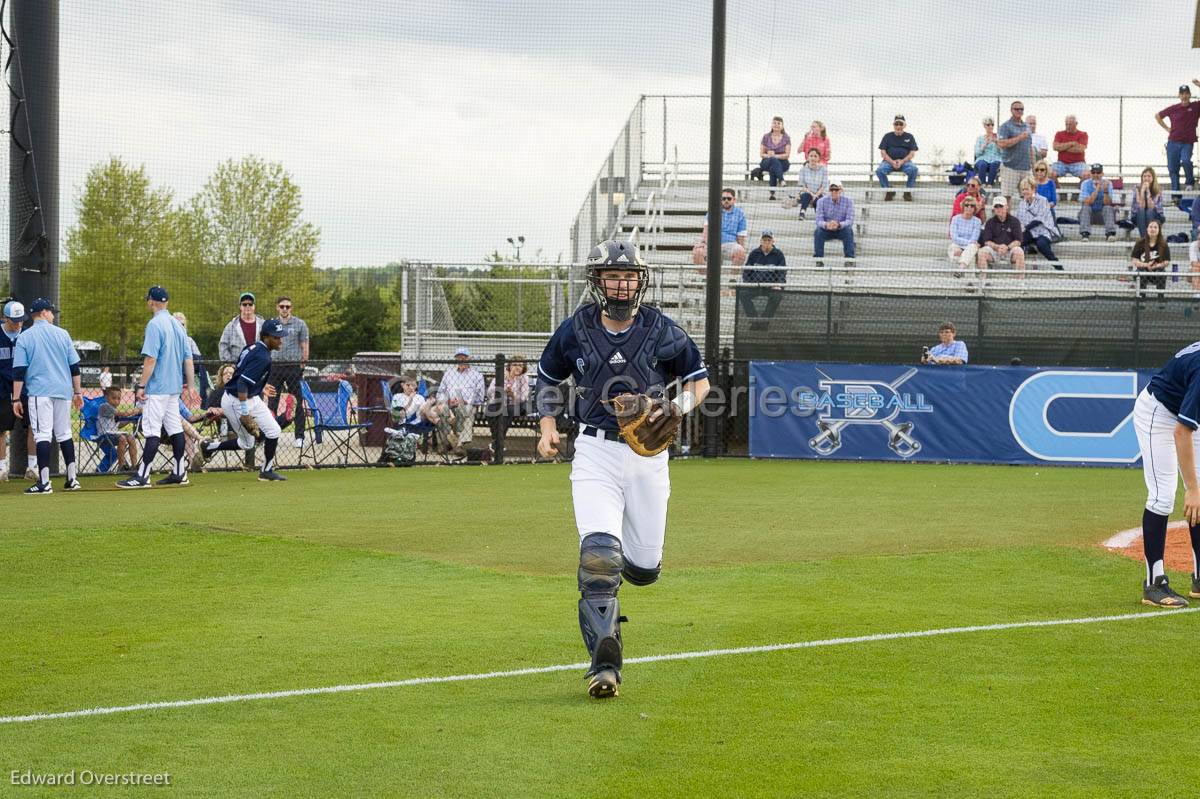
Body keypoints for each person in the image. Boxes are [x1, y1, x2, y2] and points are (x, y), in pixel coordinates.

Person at [535, 239, 710, 699]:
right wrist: (548, 426)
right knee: (598, 558)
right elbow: (550, 379)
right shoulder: (575, 330)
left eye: (629, 276)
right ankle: (604, 664)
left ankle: (630, 572)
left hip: (650, 458)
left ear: (640, 281)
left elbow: (700, 381)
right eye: (613, 276)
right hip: (594, 451)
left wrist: (675, 406)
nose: (622, 284)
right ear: (598, 282)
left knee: (646, 567)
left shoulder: (659, 329)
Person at [1130, 340, 1200, 607]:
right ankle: (1154, 583)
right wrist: (1192, 489)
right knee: (1163, 495)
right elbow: (1182, 431)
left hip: (1186, 414)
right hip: (1158, 413)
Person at [117, 286, 196, 489]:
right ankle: (180, 472)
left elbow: (151, 359)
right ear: (166, 302)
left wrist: (141, 385)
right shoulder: (178, 325)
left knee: (152, 430)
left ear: (151, 301)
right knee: (175, 428)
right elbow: (188, 359)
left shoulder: (154, 324)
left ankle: (142, 476)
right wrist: (191, 386)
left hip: (158, 387)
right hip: (174, 387)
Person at [193, 319, 288, 482]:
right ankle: (209, 446)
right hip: (235, 401)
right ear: (266, 337)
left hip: (249, 397)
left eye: (280, 336)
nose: (280, 340)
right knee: (247, 444)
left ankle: (266, 470)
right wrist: (245, 412)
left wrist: (259, 387)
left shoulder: (253, 347)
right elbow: (242, 382)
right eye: (276, 337)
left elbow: (242, 373)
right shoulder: (262, 357)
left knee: (274, 430)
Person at [10, 298, 82, 495]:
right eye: (51, 312)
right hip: (63, 391)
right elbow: (74, 367)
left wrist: (16, 399)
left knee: (42, 434)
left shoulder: (25, 337)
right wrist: (78, 392)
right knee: (64, 433)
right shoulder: (63, 334)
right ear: (43, 312)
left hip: (40, 392)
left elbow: (19, 371)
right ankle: (72, 479)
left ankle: (44, 483)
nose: (53, 315)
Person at [267, 296, 310, 449]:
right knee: (272, 402)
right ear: (277, 307)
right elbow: (266, 344)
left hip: (293, 367)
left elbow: (305, 344)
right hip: (275, 367)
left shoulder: (300, 324)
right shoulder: (271, 324)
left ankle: (299, 436)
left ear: (291, 308)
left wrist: (303, 363)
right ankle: (269, 435)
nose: (285, 309)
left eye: (288, 306)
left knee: (297, 402)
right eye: (282, 306)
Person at [0, 300, 36, 482]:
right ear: (5, 317)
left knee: (34, 425)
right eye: (15, 320)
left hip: (27, 388)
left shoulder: (28, 336)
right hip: (3, 389)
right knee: (1, 428)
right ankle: (1, 469)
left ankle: (32, 467)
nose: (18, 324)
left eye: (21, 320)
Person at [430, 346, 486, 456]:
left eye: (464, 357)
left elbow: (480, 396)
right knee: (440, 410)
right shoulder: (449, 373)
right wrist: (447, 401)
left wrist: (464, 401)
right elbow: (440, 392)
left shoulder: (477, 375)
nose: (461, 360)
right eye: (459, 357)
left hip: (467, 404)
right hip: (449, 404)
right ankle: (448, 441)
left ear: (469, 358)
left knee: (466, 411)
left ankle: (459, 445)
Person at [1154, 80, 1200, 196]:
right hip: (1173, 142)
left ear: (1189, 95)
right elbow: (1158, 116)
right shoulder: (1174, 108)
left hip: (1187, 143)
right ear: (1179, 95)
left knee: (1185, 160)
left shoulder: (1195, 107)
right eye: (1182, 94)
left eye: (1186, 93)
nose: (1184, 96)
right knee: (1173, 169)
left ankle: (1190, 182)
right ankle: (1176, 195)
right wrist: (1167, 128)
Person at [740, 230, 786, 329]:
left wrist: (778, 284)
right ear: (760, 241)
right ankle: (754, 320)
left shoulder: (779, 255)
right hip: (755, 285)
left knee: (777, 296)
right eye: (764, 240)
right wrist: (749, 283)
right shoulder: (754, 254)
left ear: (773, 241)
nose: (766, 243)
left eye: (769, 240)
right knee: (743, 294)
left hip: (771, 286)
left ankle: (764, 322)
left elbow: (782, 273)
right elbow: (747, 271)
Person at [691, 188, 748, 269]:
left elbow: (741, 237)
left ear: (734, 199)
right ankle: (704, 278)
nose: (726, 200)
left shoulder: (740, 214)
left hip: (730, 244)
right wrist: (703, 243)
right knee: (697, 252)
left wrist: (741, 249)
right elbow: (706, 230)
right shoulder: (712, 211)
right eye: (723, 198)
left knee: (741, 252)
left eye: (729, 198)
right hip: (712, 244)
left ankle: (733, 279)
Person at [487, 356, 530, 451]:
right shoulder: (501, 375)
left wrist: (513, 395)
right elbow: (489, 392)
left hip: (516, 405)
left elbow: (523, 397)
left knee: (508, 410)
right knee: (491, 409)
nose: (517, 367)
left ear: (523, 368)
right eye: (514, 365)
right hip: (499, 403)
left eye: (520, 365)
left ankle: (497, 441)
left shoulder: (524, 378)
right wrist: (502, 390)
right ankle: (497, 441)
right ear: (509, 366)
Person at [1015, 178, 1061, 267]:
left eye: (1027, 189)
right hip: (1029, 232)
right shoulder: (1022, 203)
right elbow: (1019, 220)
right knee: (1017, 242)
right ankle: (1021, 266)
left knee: (1041, 244)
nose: (1025, 192)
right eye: (1023, 189)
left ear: (1033, 189)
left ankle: (1058, 267)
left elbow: (1039, 219)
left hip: (1043, 231)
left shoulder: (1043, 200)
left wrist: (1025, 228)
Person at [977, 196, 1025, 281]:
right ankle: (982, 282)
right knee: (982, 252)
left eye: (1001, 206)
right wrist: (997, 247)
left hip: (1010, 251)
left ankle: (1019, 283)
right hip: (994, 251)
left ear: (1006, 207)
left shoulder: (1015, 221)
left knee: (1019, 251)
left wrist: (1007, 247)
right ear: (993, 209)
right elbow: (987, 241)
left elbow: (1018, 241)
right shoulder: (990, 222)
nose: (998, 209)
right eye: (996, 206)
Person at [996, 100, 1034, 203]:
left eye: (1021, 109)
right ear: (1011, 110)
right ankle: (1006, 218)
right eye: (1016, 109)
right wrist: (1019, 138)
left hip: (1026, 168)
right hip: (1010, 167)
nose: (1019, 111)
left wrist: (1033, 166)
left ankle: (1027, 219)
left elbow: (1029, 147)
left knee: (1029, 196)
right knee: (1006, 197)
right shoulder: (1005, 126)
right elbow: (1001, 144)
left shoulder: (1027, 126)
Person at [874, 114, 919, 201]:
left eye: (901, 124)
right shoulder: (887, 136)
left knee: (914, 169)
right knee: (879, 170)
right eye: (896, 124)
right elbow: (883, 152)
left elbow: (912, 153)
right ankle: (888, 191)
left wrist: (902, 161)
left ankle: (908, 191)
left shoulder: (910, 137)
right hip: (889, 162)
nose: (898, 126)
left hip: (905, 162)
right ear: (893, 125)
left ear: (904, 125)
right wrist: (892, 162)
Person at [97, 385, 140, 473]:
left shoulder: (113, 410)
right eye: (114, 398)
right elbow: (122, 414)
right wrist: (136, 411)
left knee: (131, 438)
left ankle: (134, 466)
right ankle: (121, 466)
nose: (116, 401)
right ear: (106, 397)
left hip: (113, 434)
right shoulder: (104, 406)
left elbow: (118, 426)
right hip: (104, 435)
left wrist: (130, 420)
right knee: (122, 438)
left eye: (119, 399)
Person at [813, 179, 855, 266]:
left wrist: (839, 224)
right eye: (831, 190)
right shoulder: (821, 201)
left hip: (841, 229)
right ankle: (818, 259)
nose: (834, 192)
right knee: (818, 231)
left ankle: (849, 259)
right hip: (827, 229)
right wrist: (826, 224)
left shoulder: (849, 201)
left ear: (841, 190)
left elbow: (850, 220)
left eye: (836, 189)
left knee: (848, 230)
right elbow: (818, 220)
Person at [751, 116, 790, 201]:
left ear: (782, 126)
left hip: (783, 162)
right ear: (772, 124)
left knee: (773, 168)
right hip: (767, 161)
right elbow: (762, 154)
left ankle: (772, 194)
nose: (776, 125)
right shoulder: (766, 137)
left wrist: (774, 156)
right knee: (772, 161)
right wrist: (770, 156)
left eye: (778, 123)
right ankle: (781, 180)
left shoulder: (786, 138)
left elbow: (787, 155)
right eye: (774, 123)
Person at [218, 291, 264, 363]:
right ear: (240, 307)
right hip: (238, 367)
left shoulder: (263, 325)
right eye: (244, 304)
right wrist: (230, 364)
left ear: (254, 306)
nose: (247, 306)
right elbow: (223, 346)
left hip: (259, 365)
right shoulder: (231, 326)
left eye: (250, 304)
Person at [1130, 219, 1170, 300]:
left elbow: (1166, 261)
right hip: (1142, 271)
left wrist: (1156, 266)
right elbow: (1135, 260)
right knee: (1141, 273)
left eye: (1155, 227)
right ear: (1147, 229)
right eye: (1150, 227)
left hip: (1157, 271)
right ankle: (1141, 298)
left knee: (1162, 273)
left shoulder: (1163, 244)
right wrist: (1146, 265)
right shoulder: (1140, 243)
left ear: (1159, 230)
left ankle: (1161, 298)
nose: (1153, 229)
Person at [1078, 163, 1117, 241]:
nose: (1096, 175)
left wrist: (1105, 191)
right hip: (1089, 216)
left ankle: (1110, 234)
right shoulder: (1085, 184)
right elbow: (1087, 202)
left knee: (1108, 208)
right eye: (1093, 172)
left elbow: (1108, 203)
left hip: (1103, 216)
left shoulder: (1108, 183)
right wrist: (1097, 189)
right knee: (1085, 208)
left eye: (1098, 172)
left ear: (1102, 174)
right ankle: (1085, 234)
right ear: (1091, 173)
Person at [947, 196, 982, 276]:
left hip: (970, 247)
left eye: (972, 205)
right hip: (956, 245)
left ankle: (961, 269)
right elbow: (954, 237)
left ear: (975, 208)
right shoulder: (955, 219)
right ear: (963, 207)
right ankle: (970, 282)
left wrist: (967, 246)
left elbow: (974, 238)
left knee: (972, 249)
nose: (969, 207)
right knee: (971, 250)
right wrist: (966, 244)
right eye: (966, 205)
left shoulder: (977, 221)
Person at [1049, 115, 1089, 181]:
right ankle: (1057, 190)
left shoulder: (1083, 134)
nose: (1068, 126)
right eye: (1066, 124)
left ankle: (1081, 191)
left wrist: (1062, 147)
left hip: (1078, 163)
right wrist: (1071, 143)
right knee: (1051, 173)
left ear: (1076, 124)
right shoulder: (1059, 134)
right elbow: (1055, 147)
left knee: (1086, 175)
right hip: (1061, 163)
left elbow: (1080, 149)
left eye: (1070, 124)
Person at [794, 148, 829, 220]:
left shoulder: (823, 169)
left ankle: (819, 216)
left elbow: (824, 185)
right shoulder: (803, 170)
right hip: (807, 193)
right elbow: (802, 185)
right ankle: (802, 213)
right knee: (806, 195)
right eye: (811, 156)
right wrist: (812, 194)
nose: (813, 158)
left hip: (819, 193)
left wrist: (816, 195)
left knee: (818, 200)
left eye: (815, 156)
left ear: (819, 158)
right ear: (808, 157)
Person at [1131, 167, 1165, 238]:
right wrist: (1142, 191)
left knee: (1149, 211)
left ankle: (1150, 238)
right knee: (1141, 211)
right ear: (1142, 178)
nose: (1146, 178)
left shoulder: (1159, 189)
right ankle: (1144, 239)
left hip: (1156, 216)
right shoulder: (1136, 188)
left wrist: (1148, 191)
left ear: (1153, 178)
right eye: (1144, 176)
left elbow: (1151, 206)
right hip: (1138, 216)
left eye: (1149, 176)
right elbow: (1141, 205)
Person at [973, 117, 1002, 186]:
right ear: (984, 126)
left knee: (994, 164)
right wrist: (985, 144)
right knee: (983, 164)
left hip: (995, 159)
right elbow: (977, 153)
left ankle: (990, 184)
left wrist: (996, 143)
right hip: (983, 159)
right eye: (988, 125)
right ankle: (982, 184)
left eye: (992, 125)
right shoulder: (980, 138)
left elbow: (1003, 153)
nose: (990, 126)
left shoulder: (999, 137)